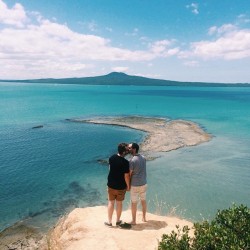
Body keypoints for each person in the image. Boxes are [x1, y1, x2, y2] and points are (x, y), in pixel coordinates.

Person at [105, 143, 130, 227]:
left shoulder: (111, 158)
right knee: (119, 203)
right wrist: (128, 186)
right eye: (126, 150)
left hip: (111, 185)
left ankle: (109, 222)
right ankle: (118, 221)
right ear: (123, 152)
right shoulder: (126, 162)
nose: (128, 151)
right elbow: (126, 176)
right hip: (121, 187)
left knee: (111, 203)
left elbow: (110, 169)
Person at [129, 142, 147, 225]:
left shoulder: (132, 161)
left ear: (134, 149)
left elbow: (130, 174)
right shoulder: (143, 157)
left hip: (135, 185)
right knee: (143, 201)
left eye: (130, 148)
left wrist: (127, 185)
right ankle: (144, 217)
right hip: (143, 183)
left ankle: (134, 221)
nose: (129, 149)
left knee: (134, 203)